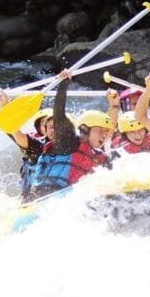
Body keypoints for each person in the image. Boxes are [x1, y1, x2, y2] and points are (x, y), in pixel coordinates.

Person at [25, 71, 114, 202]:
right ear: (84, 129)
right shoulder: (68, 144)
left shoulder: (102, 157)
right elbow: (59, 116)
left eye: (106, 131)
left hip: (71, 202)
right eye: (100, 130)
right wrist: (63, 85)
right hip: (45, 199)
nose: (104, 135)